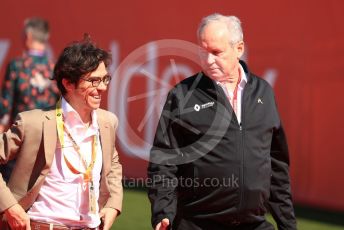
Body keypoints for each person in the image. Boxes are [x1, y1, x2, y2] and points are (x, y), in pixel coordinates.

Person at [148, 13, 297, 230]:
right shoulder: (182, 95)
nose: (208, 60)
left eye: (216, 52)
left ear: (239, 49)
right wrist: (163, 213)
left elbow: (276, 166)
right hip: (196, 224)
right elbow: (163, 162)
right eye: (203, 51)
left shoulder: (263, 91)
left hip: (254, 224)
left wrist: (287, 224)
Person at [0, 34, 123, 230]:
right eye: (93, 81)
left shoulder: (108, 122)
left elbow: (113, 164)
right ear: (67, 83)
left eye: (105, 79)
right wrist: (10, 207)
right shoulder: (33, 123)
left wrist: (113, 204)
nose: (102, 87)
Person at [0, 17, 60, 182]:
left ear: (28, 36)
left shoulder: (17, 66)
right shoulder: (55, 68)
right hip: (46, 141)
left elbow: (5, 107)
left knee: (10, 195)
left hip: (19, 139)